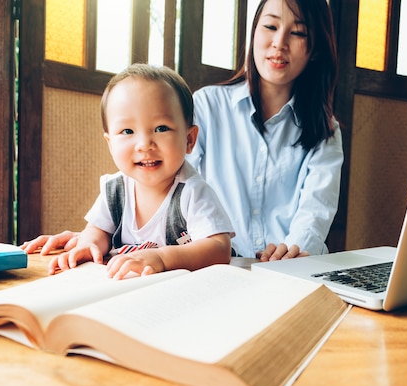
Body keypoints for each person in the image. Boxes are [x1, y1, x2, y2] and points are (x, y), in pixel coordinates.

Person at [22, 0, 342, 262]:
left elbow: (315, 212)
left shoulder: (324, 130)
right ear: (254, 33)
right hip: (214, 268)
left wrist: (295, 250)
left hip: (284, 268)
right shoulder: (208, 104)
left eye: (297, 33)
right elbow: (164, 184)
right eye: (270, 26)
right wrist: (97, 237)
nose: (279, 43)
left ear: (315, 48)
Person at [34, 64, 234, 278]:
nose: (144, 144)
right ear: (110, 144)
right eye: (127, 131)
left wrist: (161, 258)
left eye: (161, 128)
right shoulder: (114, 190)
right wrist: (88, 244)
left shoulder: (192, 192)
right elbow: (98, 231)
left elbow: (219, 249)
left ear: (189, 139)